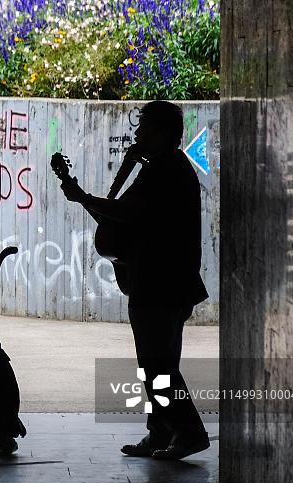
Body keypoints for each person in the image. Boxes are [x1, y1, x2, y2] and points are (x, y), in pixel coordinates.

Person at [59, 100, 209, 460]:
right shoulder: (163, 167)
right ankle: (160, 432)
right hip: (162, 283)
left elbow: (127, 213)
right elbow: (126, 222)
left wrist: (83, 196)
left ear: (161, 133)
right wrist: (87, 200)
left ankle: (188, 433)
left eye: (144, 128)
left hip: (160, 284)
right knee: (157, 364)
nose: (137, 134)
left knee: (158, 366)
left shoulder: (166, 169)